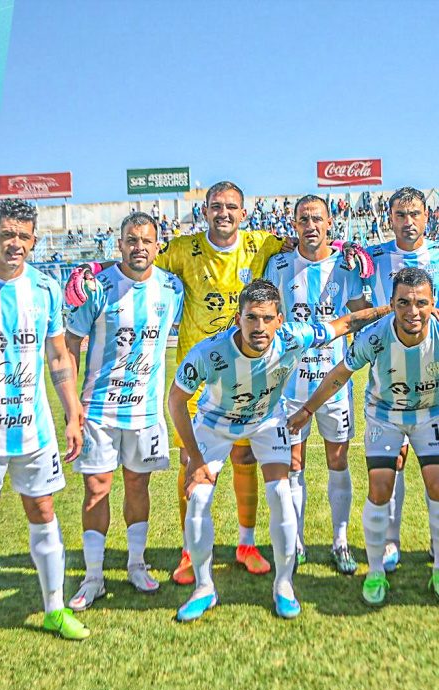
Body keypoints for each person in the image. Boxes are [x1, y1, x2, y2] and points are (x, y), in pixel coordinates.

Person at [66, 182, 372, 585]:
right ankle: (188, 552)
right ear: (205, 211)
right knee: (191, 464)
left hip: (249, 376)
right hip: (200, 377)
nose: (223, 213)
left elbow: (314, 247)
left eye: (231, 207)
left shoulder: (262, 244)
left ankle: (247, 544)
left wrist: (347, 248)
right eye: (215, 206)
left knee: (246, 460)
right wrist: (94, 269)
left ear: (244, 213)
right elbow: (138, 258)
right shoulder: (182, 249)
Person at [169, 280, 389, 621]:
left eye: (267, 318)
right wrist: (196, 460)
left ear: (280, 320)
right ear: (238, 319)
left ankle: (283, 585)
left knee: (282, 496)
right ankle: (204, 587)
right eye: (251, 318)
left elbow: (346, 323)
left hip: (266, 421)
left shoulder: (294, 337)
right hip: (214, 425)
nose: (259, 327)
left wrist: (394, 309)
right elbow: (176, 401)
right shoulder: (208, 352)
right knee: (198, 500)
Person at [0, 198, 88, 661]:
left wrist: (72, 412)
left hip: (34, 428)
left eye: (23, 237)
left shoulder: (45, 288)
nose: (15, 244)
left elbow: (58, 356)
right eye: (7, 234)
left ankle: (54, 609)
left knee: (43, 510)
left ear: (34, 240)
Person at [288, 267, 439, 604]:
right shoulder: (375, 335)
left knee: (437, 483)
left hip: (430, 414)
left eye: (421, 303)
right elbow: (340, 374)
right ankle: (375, 571)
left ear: (432, 304)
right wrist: (308, 409)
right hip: (385, 415)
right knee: (380, 487)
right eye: (403, 302)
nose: (412, 311)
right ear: (392, 304)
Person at [63, 213, 184, 609]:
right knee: (97, 490)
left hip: (145, 413)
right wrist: (72, 407)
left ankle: (136, 564)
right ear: (120, 244)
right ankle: (93, 576)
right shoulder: (98, 287)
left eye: (146, 241)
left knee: (137, 487)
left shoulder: (172, 288)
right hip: (99, 411)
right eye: (132, 240)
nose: (139, 247)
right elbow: (70, 343)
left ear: (158, 245)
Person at [264, 196, 366, 574]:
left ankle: (340, 541)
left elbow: (360, 314)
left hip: (335, 384)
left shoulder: (346, 266)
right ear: (294, 225)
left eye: (317, 218)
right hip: (290, 387)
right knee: (294, 464)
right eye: (303, 219)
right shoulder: (278, 265)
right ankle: (298, 541)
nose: (310, 225)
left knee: (338, 460)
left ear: (329, 223)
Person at [356, 187, 439, 570]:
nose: (408, 222)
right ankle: (390, 541)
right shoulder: (373, 257)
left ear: (427, 216)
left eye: (415, 214)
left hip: (433, 378)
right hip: (388, 376)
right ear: (388, 217)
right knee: (393, 462)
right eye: (400, 215)